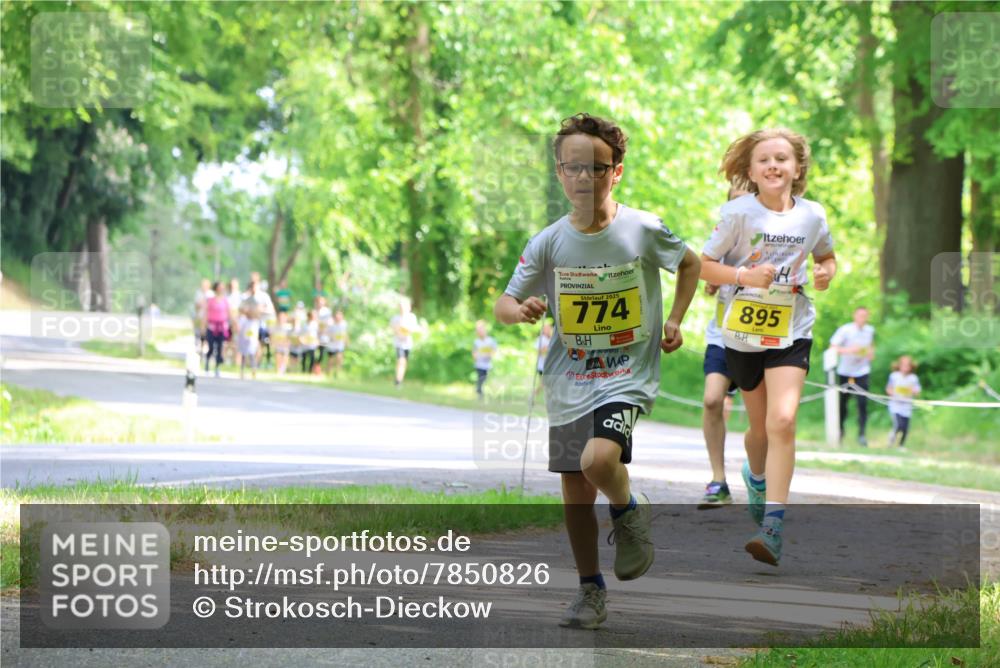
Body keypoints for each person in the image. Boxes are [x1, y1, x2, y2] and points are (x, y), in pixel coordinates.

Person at [494, 113, 700, 629]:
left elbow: (691, 264)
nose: (585, 177)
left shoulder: (642, 228)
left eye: (597, 167)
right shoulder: (550, 240)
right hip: (567, 378)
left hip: (625, 373)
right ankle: (590, 589)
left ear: (617, 172)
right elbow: (503, 300)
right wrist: (518, 311)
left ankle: (629, 510)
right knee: (575, 491)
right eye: (573, 168)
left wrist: (674, 318)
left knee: (597, 459)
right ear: (559, 173)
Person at [700, 128, 836, 567]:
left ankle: (774, 526)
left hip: (792, 329)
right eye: (764, 160)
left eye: (782, 158)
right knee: (759, 429)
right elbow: (702, 267)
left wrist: (826, 272)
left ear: (798, 168)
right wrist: (742, 278)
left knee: (783, 420)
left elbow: (826, 255)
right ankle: (755, 477)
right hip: (741, 334)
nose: (773, 166)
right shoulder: (737, 214)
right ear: (751, 171)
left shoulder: (813, 215)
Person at [697, 186, 748, 510]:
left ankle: (759, 475)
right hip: (723, 335)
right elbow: (705, 280)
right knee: (713, 399)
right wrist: (714, 281)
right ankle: (719, 480)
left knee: (767, 419)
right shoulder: (723, 238)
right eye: (734, 199)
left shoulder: (775, 235)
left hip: (766, 340)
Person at [829, 307, 876, 446]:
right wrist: (850, 350)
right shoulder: (845, 330)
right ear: (854, 315)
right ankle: (840, 431)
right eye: (860, 315)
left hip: (862, 371)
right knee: (842, 404)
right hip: (845, 372)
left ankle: (861, 434)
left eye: (865, 316)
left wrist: (870, 353)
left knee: (862, 404)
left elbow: (871, 345)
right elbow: (833, 347)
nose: (863, 318)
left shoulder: (870, 330)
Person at [886, 355, 921, 450]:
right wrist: (894, 395)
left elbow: (917, 391)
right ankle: (891, 439)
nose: (905, 368)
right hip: (895, 406)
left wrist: (913, 391)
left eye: (907, 366)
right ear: (899, 366)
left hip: (907, 407)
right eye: (903, 366)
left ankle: (901, 446)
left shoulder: (913, 378)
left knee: (905, 428)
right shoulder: (894, 376)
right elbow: (888, 389)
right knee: (898, 425)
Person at [390, 299, 421, 387]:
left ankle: (400, 379)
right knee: (401, 360)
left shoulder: (411, 317)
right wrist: (399, 332)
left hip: (407, 343)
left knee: (404, 362)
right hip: (399, 343)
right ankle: (398, 380)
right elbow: (394, 328)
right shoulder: (396, 318)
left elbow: (413, 329)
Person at [204, 281, 230, 377]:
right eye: (219, 287)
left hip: (222, 327)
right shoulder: (210, 300)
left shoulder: (225, 301)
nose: (221, 290)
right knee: (211, 346)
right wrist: (204, 325)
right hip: (212, 326)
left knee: (220, 347)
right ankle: (207, 361)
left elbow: (229, 313)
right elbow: (206, 313)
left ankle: (217, 367)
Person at [471, 320, 498, 400]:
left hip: (487, 364)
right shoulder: (476, 342)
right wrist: (476, 357)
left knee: (485, 378)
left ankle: (480, 389)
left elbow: (494, 351)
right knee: (480, 377)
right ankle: (479, 390)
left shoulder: (490, 341)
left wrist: (489, 355)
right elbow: (474, 352)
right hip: (479, 364)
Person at [238, 304, 261, 380]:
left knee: (252, 356)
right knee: (244, 356)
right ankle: (242, 371)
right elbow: (241, 329)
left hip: (252, 342)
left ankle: (253, 370)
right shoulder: (244, 320)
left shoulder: (255, 322)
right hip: (244, 341)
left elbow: (256, 332)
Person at [326, 310, 349, 377]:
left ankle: (338, 372)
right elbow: (328, 333)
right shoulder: (331, 325)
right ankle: (329, 372)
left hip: (340, 345)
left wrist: (346, 341)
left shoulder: (344, 324)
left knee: (339, 358)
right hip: (332, 345)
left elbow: (345, 333)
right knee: (331, 359)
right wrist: (331, 337)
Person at [535, 321, 553, 396]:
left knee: (546, 383)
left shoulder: (550, 339)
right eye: (547, 328)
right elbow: (539, 351)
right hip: (542, 366)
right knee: (544, 383)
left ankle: (535, 395)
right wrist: (546, 349)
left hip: (549, 365)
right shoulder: (541, 339)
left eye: (549, 328)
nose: (549, 330)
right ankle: (534, 394)